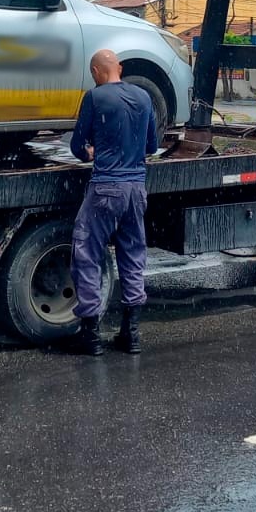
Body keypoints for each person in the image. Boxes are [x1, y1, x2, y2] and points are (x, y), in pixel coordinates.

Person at [67, 49, 156, 356]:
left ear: (96, 71)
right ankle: (131, 335)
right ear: (118, 67)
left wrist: (89, 153)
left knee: (87, 253)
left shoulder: (95, 97)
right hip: (136, 188)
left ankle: (91, 337)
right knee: (132, 255)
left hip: (106, 188)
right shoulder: (144, 97)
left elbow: (77, 145)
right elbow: (152, 146)